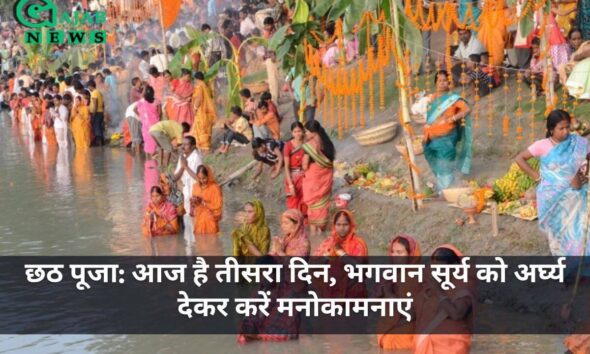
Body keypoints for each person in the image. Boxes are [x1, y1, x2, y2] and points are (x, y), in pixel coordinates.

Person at [515, 110, 590, 256]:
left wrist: (585, 173)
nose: (566, 131)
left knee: (579, 232)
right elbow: (519, 159)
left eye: (567, 127)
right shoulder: (542, 145)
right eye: (561, 128)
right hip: (553, 197)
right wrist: (537, 177)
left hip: (577, 196)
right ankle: (565, 265)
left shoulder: (577, 142)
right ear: (551, 130)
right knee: (559, 234)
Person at [414, 245, 475, 354]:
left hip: (451, 348)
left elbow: (456, 314)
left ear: (455, 267)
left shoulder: (463, 289)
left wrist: (437, 290)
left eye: (441, 269)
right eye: (434, 268)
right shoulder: (429, 287)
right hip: (426, 347)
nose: (437, 273)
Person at [423, 71, 473, 191]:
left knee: (444, 162)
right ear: (435, 83)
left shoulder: (452, 98)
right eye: (439, 81)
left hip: (446, 137)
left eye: (444, 80)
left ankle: (446, 190)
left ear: (448, 82)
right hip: (430, 136)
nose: (442, 83)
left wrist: (452, 118)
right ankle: (443, 188)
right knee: (435, 160)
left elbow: (467, 109)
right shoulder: (431, 98)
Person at [377, 234, 423, 350]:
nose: (395, 256)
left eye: (400, 252)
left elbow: (411, 313)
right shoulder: (391, 273)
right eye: (393, 252)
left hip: (405, 336)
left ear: (410, 254)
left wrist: (388, 293)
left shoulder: (416, 277)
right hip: (387, 333)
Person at [302, 120, 335, 235]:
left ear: (313, 132)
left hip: (313, 183)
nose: (305, 133)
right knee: (321, 209)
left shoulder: (309, 146)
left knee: (312, 211)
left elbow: (304, 166)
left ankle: (314, 239)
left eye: (306, 131)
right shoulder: (328, 143)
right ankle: (321, 235)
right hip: (324, 182)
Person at [190, 164, 223, 236]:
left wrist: (204, 203)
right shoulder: (195, 186)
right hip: (198, 219)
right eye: (199, 178)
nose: (202, 181)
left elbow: (218, 207)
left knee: (211, 242)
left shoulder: (215, 188)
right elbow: (193, 204)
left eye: (204, 178)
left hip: (210, 221)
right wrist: (193, 203)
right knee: (199, 242)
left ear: (208, 176)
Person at [190, 71, 217, 152]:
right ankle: (208, 147)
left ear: (196, 79)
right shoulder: (206, 85)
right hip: (208, 111)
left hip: (201, 111)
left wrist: (194, 108)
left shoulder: (199, 87)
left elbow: (199, 98)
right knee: (207, 128)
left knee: (202, 129)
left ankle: (206, 148)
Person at [284, 121, 306, 214]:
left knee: (305, 202)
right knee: (293, 203)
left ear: (303, 131)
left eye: (299, 131)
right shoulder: (288, 146)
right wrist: (290, 185)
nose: (297, 134)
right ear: (292, 133)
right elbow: (286, 167)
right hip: (292, 177)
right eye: (295, 132)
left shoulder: (307, 143)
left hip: (304, 176)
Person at [136, 85, 161, 158]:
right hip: (154, 124)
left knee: (147, 143)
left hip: (146, 125)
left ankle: (148, 162)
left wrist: (142, 117)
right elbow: (159, 113)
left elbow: (135, 109)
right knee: (154, 142)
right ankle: (152, 162)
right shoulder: (157, 101)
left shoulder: (142, 101)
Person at [87, 80, 105, 146]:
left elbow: (95, 104)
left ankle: (99, 143)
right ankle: (102, 143)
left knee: (96, 127)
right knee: (99, 127)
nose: (88, 88)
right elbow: (103, 103)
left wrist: (93, 115)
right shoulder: (99, 92)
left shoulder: (94, 93)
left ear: (90, 86)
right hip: (100, 112)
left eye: (88, 87)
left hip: (96, 113)